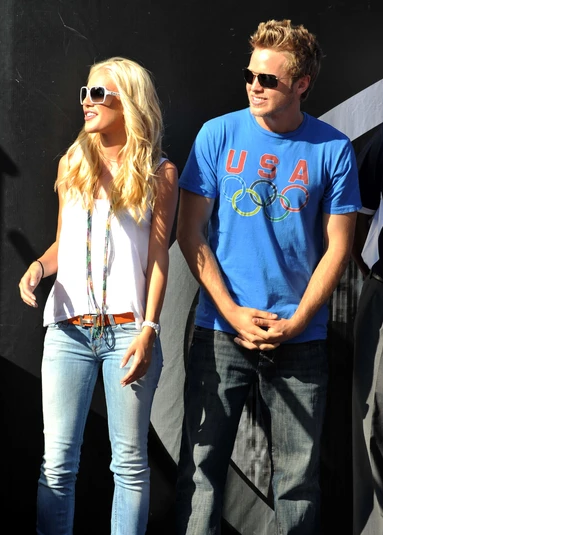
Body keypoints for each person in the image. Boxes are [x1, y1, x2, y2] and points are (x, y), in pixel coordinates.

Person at [174, 19, 362, 534]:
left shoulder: (333, 149)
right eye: (250, 75)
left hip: (301, 337)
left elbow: (339, 247)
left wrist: (299, 321)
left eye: (269, 79)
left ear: (302, 84)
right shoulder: (218, 134)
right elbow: (191, 233)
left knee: (298, 482)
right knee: (200, 469)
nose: (255, 86)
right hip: (221, 331)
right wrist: (232, 313)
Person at [18, 56, 179, 535]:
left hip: (129, 330)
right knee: (57, 464)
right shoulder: (74, 162)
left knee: (129, 464)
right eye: (84, 94)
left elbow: (157, 258)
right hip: (68, 329)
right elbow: (63, 244)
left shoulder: (158, 172)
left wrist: (150, 328)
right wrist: (38, 267)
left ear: (126, 102)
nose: (86, 102)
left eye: (98, 94)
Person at [350, 123, 388, 535]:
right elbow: (357, 219)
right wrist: (372, 273)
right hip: (383, 290)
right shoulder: (382, 143)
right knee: (370, 418)